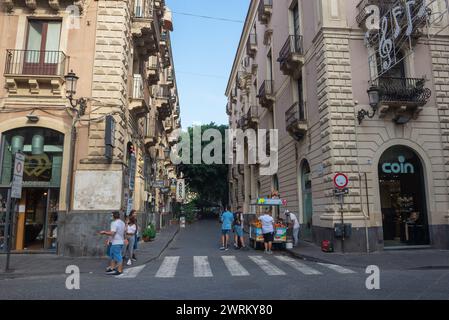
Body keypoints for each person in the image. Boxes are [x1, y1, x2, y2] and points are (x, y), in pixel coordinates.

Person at [100, 211, 126, 276]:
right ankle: (112, 268)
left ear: (114, 216)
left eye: (111, 215)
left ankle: (119, 270)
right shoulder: (122, 222)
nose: (111, 217)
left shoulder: (114, 223)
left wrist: (104, 232)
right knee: (112, 256)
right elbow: (124, 231)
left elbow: (112, 233)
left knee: (118, 256)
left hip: (116, 242)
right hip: (119, 241)